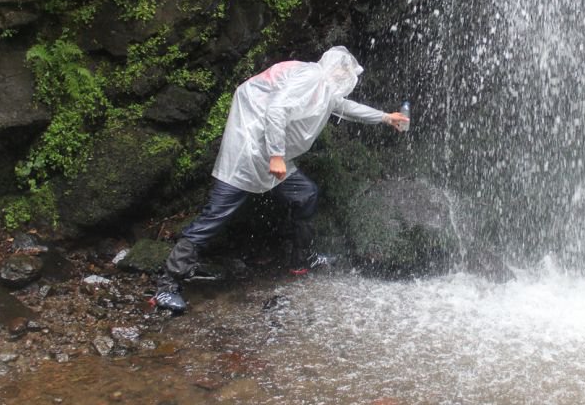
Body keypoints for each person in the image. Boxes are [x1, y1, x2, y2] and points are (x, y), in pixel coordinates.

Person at [151, 46, 409, 313]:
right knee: (214, 217)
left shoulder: (323, 88)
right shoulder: (310, 78)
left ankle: (302, 258)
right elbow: (275, 110)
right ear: (335, 68)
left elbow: (343, 106)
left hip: (273, 156)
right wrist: (276, 155)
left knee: (306, 194)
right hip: (248, 153)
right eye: (345, 72)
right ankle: (167, 286)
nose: (347, 78)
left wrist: (384, 117)